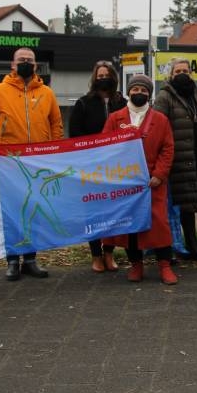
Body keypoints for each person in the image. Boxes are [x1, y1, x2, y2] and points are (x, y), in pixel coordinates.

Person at [0, 47, 63, 280]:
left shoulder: (47, 93)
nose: (26, 63)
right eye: (21, 60)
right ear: (12, 64)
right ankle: (12, 260)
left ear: (36, 66)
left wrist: (55, 155)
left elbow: (56, 125)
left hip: (37, 164)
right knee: (12, 212)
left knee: (33, 212)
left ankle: (30, 259)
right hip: (8, 165)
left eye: (30, 60)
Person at [101, 75, 178, 284]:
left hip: (153, 183)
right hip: (127, 184)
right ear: (129, 91)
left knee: (159, 224)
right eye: (135, 89)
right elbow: (105, 148)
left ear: (149, 94)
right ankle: (136, 265)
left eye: (144, 90)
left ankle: (165, 266)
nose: (139, 93)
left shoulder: (161, 120)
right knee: (130, 227)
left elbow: (168, 148)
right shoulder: (115, 118)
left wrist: (159, 175)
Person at [69, 60, 127, 273]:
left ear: (114, 77)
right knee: (93, 211)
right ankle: (96, 255)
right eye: (100, 75)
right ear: (94, 78)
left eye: (107, 75)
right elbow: (75, 134)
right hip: (91, 166)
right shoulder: (84, 103)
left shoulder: (122, 102)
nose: (103, 78)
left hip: (116, 167)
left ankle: (110, 252)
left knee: (112, 211)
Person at [153, 58, 197, 263]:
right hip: (175, 158)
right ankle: (173, 247)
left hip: (194, 155)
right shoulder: (164, 96)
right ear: (170, 75)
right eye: (177, 71)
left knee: (189, 203)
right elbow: (157, 128)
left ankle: (190, 242)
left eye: (185, 70)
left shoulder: (196, 94)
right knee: (174, 205)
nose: (182, 74)